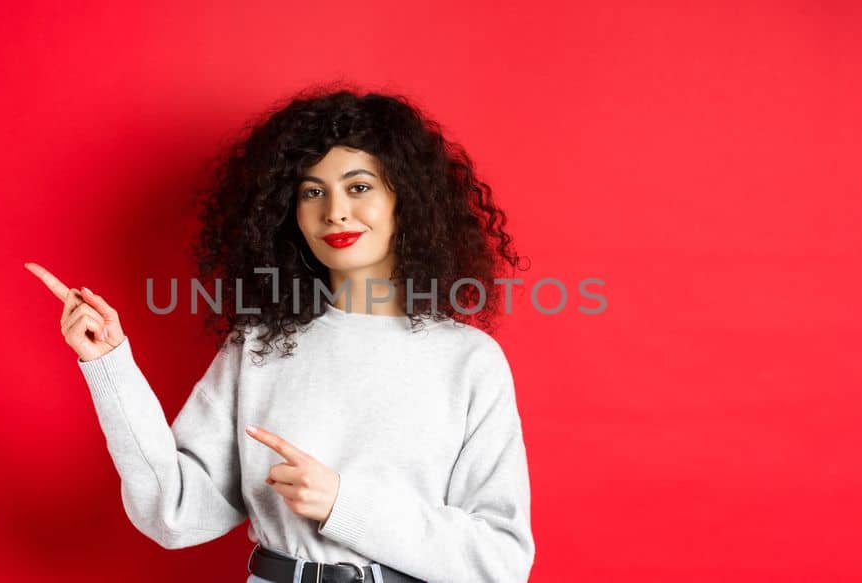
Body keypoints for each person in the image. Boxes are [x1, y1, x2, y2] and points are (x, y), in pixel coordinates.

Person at [26, 86, 534, 583]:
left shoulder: (468, 361)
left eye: (359, 187)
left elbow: (501, 563)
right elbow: (172, 513)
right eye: (313, 191)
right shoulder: (260, 348)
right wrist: (111, 367)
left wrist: (342, 504)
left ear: (408, 201)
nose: (334, 211)